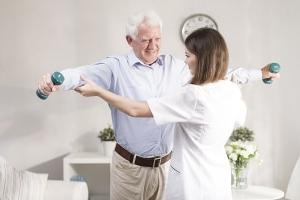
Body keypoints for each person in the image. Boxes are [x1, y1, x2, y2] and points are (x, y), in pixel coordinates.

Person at [37, 10, 278, 200]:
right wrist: (54, 81)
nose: (153, 45)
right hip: (130, 169)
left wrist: (259, 74)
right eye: (145, 40)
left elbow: (217, 75)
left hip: (167, 167)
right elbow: (81, 74)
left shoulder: (178, 67)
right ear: (129, 40)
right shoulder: (115, 67)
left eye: (157, 39)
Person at [75, 27, 246, 200]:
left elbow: (135, 109)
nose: (185, 62)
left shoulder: (193, 95)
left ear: (203, 59)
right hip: (217, 179)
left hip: (191, 182)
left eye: (188, 56)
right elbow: (238, 120)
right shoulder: (231, 90)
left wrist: (99, 91)